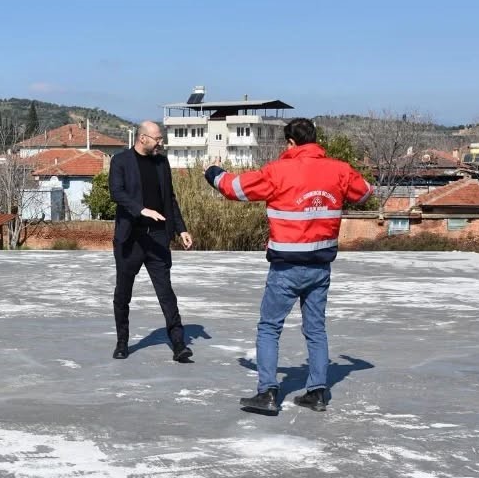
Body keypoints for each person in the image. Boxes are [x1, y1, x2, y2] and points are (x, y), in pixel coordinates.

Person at [204, 118, 372, 413]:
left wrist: (212, 171)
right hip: (320, 268)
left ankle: (268, 393)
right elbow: (366, 192)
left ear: (290, 142)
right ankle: (317, 393)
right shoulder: (339, 170)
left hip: (285, 268)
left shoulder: (278, 172)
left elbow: (234, 188)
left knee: (269, 327)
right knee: (316, 330)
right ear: (315, 140)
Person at [109, 121, 194, 362]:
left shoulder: (161, 162)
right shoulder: (121, 161)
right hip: (130, 238)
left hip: (157, 237)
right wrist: (141, 209)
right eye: (158, 138)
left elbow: (170, 199)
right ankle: (122, 342)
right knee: (123, 293)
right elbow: (117, 192)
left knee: (166, 292)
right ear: (143, 138)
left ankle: (179, 344)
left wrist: (181, 229)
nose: (161, 142)